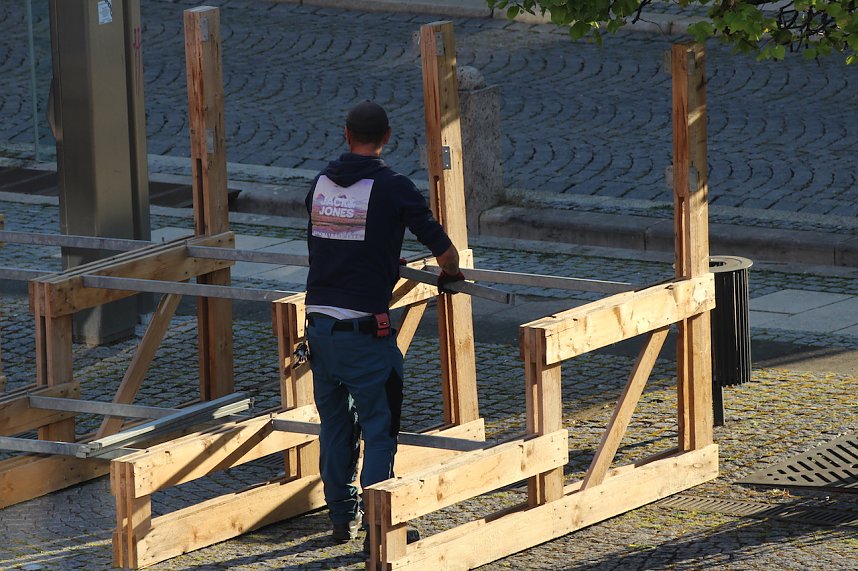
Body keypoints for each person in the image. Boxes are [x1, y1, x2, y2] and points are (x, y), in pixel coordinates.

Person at [304, 100, 463, 543]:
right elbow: (444, 252)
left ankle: (342, 517)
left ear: (345, 132)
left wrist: (379, 256)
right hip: (364, 336)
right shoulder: (393, 187)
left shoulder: (320, 184)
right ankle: (380, 527)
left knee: (335, 428)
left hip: (319, 330)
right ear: (387, 136)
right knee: (379, 432)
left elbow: (331, 245)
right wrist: (450, 275)